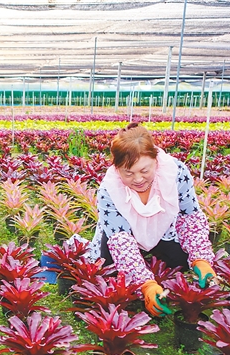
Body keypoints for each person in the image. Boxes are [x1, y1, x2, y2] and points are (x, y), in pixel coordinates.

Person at [76, 123, 217, 316]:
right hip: (124, 235)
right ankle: (141, 269)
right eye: (128, 173)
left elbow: (189, 216)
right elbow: (121, 240)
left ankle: (153, 258)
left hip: (163, 231)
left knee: (182, 262)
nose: (138, 179)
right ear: (117, 169)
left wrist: (201, 258)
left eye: (144, 171)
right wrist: (146, 284)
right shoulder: (109, 189)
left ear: (155, 160)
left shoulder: (176, 173)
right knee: (109, 268)